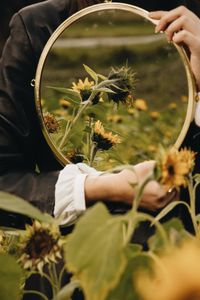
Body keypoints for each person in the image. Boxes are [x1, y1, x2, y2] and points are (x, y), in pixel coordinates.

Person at [0, 0, 172, 229]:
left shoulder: (185, 18)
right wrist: (100, 188)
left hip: (176, 241)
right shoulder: (37, 27)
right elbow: (5, 182)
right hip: (74, 244)